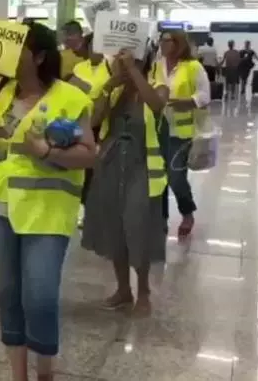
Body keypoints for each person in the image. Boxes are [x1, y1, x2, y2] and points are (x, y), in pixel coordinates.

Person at [0, 22, 97, 381]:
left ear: (39, 57)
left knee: (39, 295)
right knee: (9, 292)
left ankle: (45, 371)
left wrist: (44, 150)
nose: (7, 54)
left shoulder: (69, 97)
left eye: (18, 48)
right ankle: (18, 374)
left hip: (49, 209)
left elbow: (89, 155)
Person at [82, 48, 168, 315]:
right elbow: (94, 119)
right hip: (110, 165)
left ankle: (144, 291)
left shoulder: (157, 84)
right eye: (120, 59)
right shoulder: (113, 89)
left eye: (132, 59)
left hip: (141, 167)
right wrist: (109, 85)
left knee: (138, 226)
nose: (124, 63)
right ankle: (123, 290)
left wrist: (133, 72)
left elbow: (157, 104)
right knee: (114, 227)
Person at [153, 30, 209, 237]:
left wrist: (187, 102)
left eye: (167, 40)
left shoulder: (193, 66)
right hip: (157, 129)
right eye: (161, 40)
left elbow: (204, 95)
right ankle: (160, 219)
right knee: (158, 177)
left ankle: (187, 212)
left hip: (182, 131)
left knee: (176, 177)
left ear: (178, 43)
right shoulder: (156, 66)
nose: (163, 44)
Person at [68, 33, 109, 227]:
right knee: (81, 165)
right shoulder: (79, 68)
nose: (95, 50)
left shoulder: (109, 68)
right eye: (92, 46)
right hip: (79, 120)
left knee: (96, 168)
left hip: (102, 122)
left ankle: (95, 208)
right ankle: (82, 207)